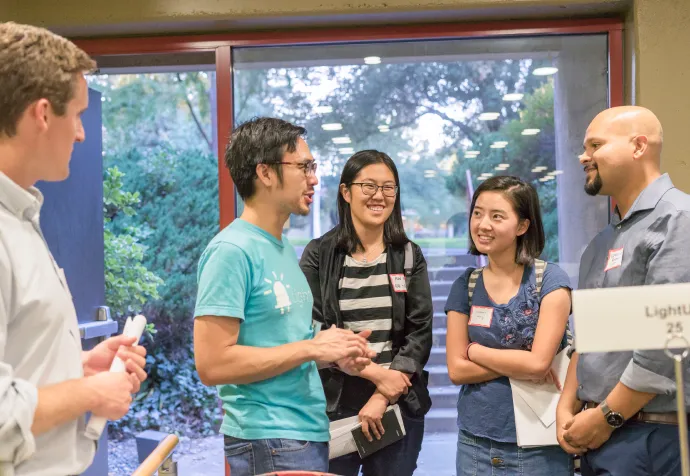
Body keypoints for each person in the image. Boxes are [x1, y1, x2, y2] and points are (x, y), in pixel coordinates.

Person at [0, 22, 148, 476]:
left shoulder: (21, 220)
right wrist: (91, 394)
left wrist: (79, 367)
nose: (82, 134)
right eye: (78, 115)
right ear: (42, 114)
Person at [193, 117, 375, 476]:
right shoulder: (231, 250)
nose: (314, 178)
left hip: (302, 433)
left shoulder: (280, 247)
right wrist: (312, 348)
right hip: (269, 437)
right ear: (265, 173)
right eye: (304, 166)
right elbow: (212, 364)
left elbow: (282, 348)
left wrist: (333, 354)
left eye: (313, 166)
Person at [556, 106, 690, 476]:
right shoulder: (602, 242)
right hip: (602, 432)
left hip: (653, 434)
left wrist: (605, 418)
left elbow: (664, 343)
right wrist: (566, 408)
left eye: (595, 145)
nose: (584, 156)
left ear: (639, 146)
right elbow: (589, 338)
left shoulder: (678, 220)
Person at [300, 150, 433, 476]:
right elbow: (311, 328)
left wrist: (382, 395)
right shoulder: (319, 254)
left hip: (395, 402)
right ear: (346, 192)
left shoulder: (407, 255)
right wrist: (375, 379)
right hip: (334, 405)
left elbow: (420, 332)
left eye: (389, 188)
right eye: (368, 186)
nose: (379, 196)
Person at [444, 175, 574, 476]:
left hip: (539, 442)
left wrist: (475, 351)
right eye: (477, 213)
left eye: (496, 216)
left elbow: (539, 364)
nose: (483, 224)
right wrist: (521, 363)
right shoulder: (465, 285)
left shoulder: (550, 282)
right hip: (474, 442)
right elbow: (455, 370)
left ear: (523, 226)